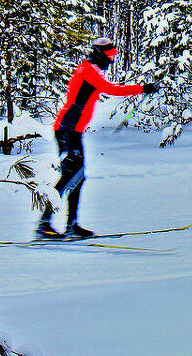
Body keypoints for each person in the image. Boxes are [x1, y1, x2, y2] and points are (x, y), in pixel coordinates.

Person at [37, 37, 158, 239]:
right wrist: (142, 88)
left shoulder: (90, 69)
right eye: (110, 56)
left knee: (78, 178)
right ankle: (44, 224)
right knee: (70, 177)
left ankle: (71, 224)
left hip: (73, 130)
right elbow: (111, 89)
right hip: (67, 129)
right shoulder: (88, 70)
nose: (111, 61)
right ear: (101, 55)